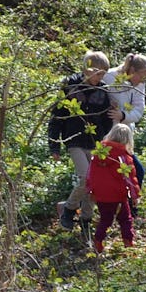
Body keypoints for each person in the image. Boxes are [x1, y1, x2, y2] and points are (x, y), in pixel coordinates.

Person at [48, 51, 113, 230]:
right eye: (97, 73)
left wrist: (104, 138)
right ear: (86, 69)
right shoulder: (70, 86)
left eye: (103, 74)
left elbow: (107, 120)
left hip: (95, 142)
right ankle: (68, 209)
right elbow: (57, 116)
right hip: (74, 139)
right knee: (85, 177)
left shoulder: (103, 91)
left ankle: (86, 219)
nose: (100, 78)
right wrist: (54, 145)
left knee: (95, 182)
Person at [103, 52, 146, 190]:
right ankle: (69, 207)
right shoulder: (110, 77)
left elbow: (138, 111)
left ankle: (130, 206)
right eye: (141, 77)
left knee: (137, 172)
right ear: (132, 71)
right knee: (102, 175)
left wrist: (123, 115)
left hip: (125, 137)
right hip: (106, 136)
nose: (142, 81)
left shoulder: (139, 85)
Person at [87, 123, 140, 253]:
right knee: (125, 218)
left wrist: (90, 190)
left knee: (105, 218)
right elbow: (130, 177)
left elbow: (90, 174)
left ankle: (98, 240)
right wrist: (135, 195)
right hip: (118, 195)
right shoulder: (124, 157)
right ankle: (128, 242)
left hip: (101, 194)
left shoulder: (99, 154)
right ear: (128, 139)